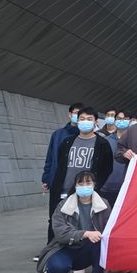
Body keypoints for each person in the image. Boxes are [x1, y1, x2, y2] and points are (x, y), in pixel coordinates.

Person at [49, 107, 113, 255]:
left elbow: (107, 168)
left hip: (87, 191)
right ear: (77, 121)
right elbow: (60, 164)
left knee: (86, 221)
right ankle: (53, 253)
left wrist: (95, 186)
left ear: (96, 122)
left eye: (89, 119)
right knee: (58, 221)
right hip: (64, 190)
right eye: (82, 119)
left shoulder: (102, 144)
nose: (85, 122)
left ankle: (87, 257)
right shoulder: (67, 142)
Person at [37, 171, 111, 273]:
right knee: (55, 268)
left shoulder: (104, 204)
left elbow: (109, 229)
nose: (84, 186)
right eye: (80, 183)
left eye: (88, 182)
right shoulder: (63, 205)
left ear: (94, 184)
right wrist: (85, 233)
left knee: (100, 240)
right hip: (66, 248)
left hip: (91, 248)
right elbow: (61, 234)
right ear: (75, 185)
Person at [40, 102, 83, 248]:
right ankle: (51, 247)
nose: (77, 116)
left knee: (76, 216)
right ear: (70, 114)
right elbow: (50, 157)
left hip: (77, 183)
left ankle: (74, 245)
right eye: (75, 113)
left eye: (81, 114)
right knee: (54, 216)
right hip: (57, 182)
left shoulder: (85, 135)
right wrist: (46, 178)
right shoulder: (58, 135)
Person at [99, 110, 131, 207]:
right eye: (119, 118)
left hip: (126, 188)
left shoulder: (134, 141)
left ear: (130, 121)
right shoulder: (106, 141)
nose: (122, 121)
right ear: (115, 120)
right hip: (106, 188)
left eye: (125, 119)